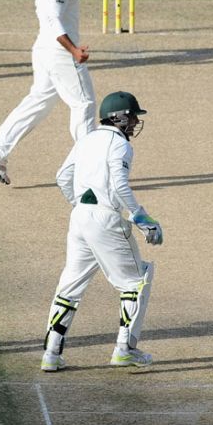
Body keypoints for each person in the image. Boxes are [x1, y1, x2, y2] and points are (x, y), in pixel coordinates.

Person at [41, 91, 162, 371]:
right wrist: (141, 218)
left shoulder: (86, 140)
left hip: (79, 219)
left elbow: (62, 176)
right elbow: (120, 186)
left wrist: (81, 203)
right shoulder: (120, 146)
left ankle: (51, 353)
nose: (134, 123)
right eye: (132, 117)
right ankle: (125, 349)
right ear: (119, 118)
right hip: (106, 220)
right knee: (136, 281)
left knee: (70, 286)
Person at [0, 0, 96, 186]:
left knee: (38, 102)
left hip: (43, 51)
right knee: (84, 104)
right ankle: (87, 169)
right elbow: (53, 19)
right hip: (59, 53)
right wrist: (74, 50)